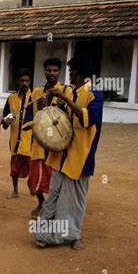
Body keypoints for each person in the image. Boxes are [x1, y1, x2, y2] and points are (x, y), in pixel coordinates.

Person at [34, 57, 104, 250]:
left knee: (75, 201)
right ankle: (45, 233)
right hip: (61, 155)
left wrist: (64, 98)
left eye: (71, 71)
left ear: (79, 73)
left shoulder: (94, 94)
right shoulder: (72, 93)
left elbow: (88, 119)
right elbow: (61, 117)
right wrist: (46, 109)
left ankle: (73, 235)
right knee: (54, 195)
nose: (69, 74)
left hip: (81, 157)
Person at [23, 58, 73, 219]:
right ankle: (41, 202)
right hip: (39, 144)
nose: (52, 73)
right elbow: (29, 117)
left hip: (58, 145)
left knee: (55, 182)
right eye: (49, 70)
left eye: (55, 71)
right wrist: (39, 112)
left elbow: (69, 118)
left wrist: (56, 109)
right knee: (34, 181)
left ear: (59, 72)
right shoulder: (37, 92)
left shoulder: (67, 91)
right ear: (44, 71)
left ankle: (53, 210)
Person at [2, 69, 33, 199]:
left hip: (31, 142)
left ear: (30, 81)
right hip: (15, 141)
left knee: (33, 169)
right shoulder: (11, 98)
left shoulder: (35, 98)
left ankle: (34, 190)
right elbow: (4, 123)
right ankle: (15, 191)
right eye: (22, 81)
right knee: (14, 169)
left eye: (27, 80)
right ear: (17, 82)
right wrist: (7, 120)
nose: (24, 83)